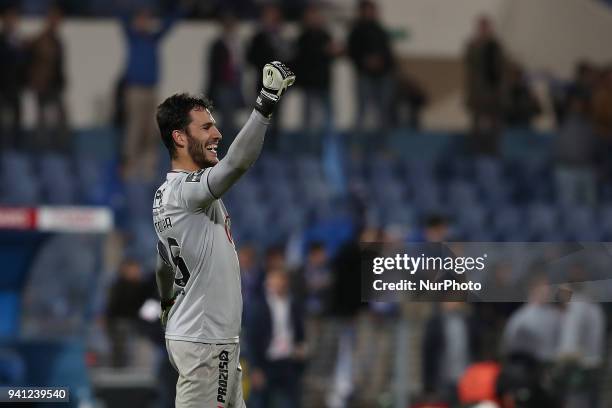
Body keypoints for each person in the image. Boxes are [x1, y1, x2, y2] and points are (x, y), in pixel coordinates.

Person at [152, 61, 295, 407]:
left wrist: (167, 303)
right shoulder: (188, 192)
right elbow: (236, 164)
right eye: (206, 128)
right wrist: (266, 101)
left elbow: (164, 263)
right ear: (180, 137)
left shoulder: (164, 195)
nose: (217, 134)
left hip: (213, 342)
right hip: (205, 345)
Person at [120, 6, 183, 181]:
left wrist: (181, 7)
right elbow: (122, 15)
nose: (144, 22)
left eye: (146, 19)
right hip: (135, 90)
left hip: (151, 90)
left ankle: (147, 166)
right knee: (134, 128)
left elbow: (170, 24)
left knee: (151, 129)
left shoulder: (153, 38)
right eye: (140, 19)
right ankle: (130, 165)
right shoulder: (132, 37)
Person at [246, 267, 306, 408]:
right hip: (266, 363)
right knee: (260, 402)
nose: (279, 284)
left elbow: (298, 330)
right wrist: (255, 368)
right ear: (268, 283)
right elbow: (252, 339)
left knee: (291, 402)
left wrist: (301, 347)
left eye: (282, 280)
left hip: (288, 361)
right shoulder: (259, 307)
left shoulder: (293, 304)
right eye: (275, 280)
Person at [293, 3, 339, 152]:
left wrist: (333, 52)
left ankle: (325, 150)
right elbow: (303, 59)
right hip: (310, 85)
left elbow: (332, 57)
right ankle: (309, 150)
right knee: (309, 121)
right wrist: (323, 51)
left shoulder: (326, 35)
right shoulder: (303, 38)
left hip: (324, 84)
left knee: (328, 120)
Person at [246, 5, 289, 151]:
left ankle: (275, 148)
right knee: (260, 119)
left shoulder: (281, 39)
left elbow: (288, 61)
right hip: (263, 85)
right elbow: (251, 58)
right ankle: (257, 149)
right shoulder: (258, 38)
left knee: (277, 119)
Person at [347, 0, 394, 133]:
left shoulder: (380, 30)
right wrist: (365, 61)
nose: (370, 14)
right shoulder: (356, 31)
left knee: (383, 112)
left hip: (383, 75)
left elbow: (388, 53)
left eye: (371, 10)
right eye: (367, 11)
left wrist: (382, 62)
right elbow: (352, 52)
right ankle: (357, 146)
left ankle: (381, 145)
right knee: (363, 111)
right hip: (364, 75)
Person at [26, 5, 67, 151]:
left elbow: (59, 65)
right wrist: (33, 80)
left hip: (54, 85)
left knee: (61, 118)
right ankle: (41, 151)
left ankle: (60, 150)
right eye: (54, 19)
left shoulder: (57, 41)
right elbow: (30, 57)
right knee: (42, 121)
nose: (56, 23)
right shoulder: (40, 39)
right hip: (42, 85)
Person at [464, 15, 506, 155]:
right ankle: (476, 151)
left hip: (493, 93)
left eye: (485, 27)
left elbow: (499, 69)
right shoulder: (473, 45)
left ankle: (493, 151)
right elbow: (471, 65)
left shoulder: (495, 45)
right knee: (477, 124)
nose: (483, 30)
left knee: (494, 124)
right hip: (478, 93)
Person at [206, 11, 245, 147]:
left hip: (235, 85)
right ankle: (224, 149)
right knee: (226, 120)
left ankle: (229, 148)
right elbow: (213, 69)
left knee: (231, 120)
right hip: (223, 86)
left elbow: (239, 66)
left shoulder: (237, 44)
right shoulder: (217, 45)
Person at [0, 6, 25, 150]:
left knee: (16, 123)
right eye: (9, 18)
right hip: (2, 89)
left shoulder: (18, 43)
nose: (11, 22)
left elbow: (23, 65)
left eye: (14, 19)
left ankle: (15, 150)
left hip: (15, 89)